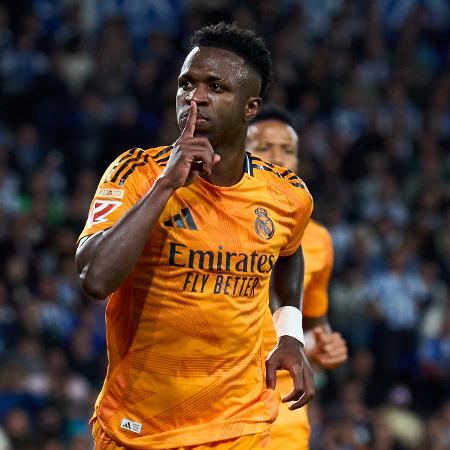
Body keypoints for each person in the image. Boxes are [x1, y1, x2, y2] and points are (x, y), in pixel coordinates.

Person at [75, 23, 315, 450]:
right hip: (138, 427)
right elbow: (94, 278)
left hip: (238, 425)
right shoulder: (136, 173)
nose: (196, 97)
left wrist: (290, 332)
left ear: (250, 107)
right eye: (187, 84)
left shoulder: (287, 195)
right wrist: (166, 186)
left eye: (216, 87)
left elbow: (291, 253)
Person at [247, 104, 348, 450]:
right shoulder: (209, 217)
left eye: (287, 150)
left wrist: (324, 347)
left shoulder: (318, 238)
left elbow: (317, 324)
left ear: (298, 163)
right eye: (264, 148)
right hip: (217, 391)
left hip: (283, 403)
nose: (277, 158)